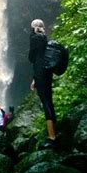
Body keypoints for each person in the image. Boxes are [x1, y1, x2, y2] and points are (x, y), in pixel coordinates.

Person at [29, 19, 57, 149]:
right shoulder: (45, 38)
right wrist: (35, 79)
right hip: (46, 73)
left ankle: (51, 137)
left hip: (40, 73)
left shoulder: (35, 38)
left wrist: (33, 34)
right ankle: (53, 132)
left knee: (45, 102)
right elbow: (41, 58)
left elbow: (31, 58)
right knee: (49, 101)